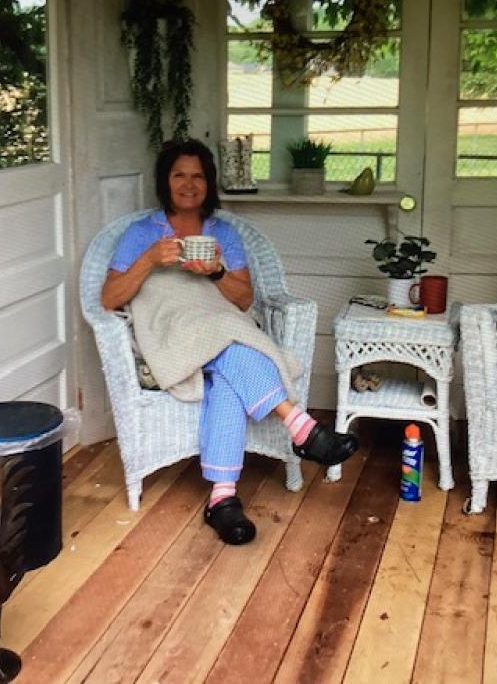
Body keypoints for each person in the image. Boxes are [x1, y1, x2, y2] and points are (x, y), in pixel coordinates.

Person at [102, 139, 359, 545]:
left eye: (198, 176)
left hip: (221, 325)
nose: (189, 184)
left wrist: (218, 271)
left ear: (210, 183)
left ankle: (222, 500)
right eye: (179, 175)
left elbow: (242, 301)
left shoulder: (224, 232)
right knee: (234, 342)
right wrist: (150, 259)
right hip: (172, 330)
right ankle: (302, 427)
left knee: (229, 365)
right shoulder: (142, 234)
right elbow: (110, 298)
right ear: (164, 182)